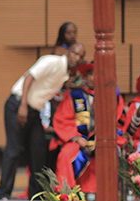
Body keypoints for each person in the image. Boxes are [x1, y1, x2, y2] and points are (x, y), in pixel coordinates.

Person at [0, 43, 86, 199]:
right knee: (14, 150)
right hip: (18, 104)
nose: (76, 58)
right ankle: (2, 194)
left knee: (38, 151)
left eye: (80, 56)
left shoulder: (65, 75)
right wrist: (23, 105)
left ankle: (36, 194)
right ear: (67, 52)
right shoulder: (52, 61)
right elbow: (28, 77)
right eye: (74, 54)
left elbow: (49, 91)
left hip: (34, 111)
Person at [51, 61, 125, 193]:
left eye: (96, 74)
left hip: (105, 138)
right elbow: (63, 120)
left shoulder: (112, 96)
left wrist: (102, 138)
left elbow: (117, 121)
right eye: (90, 74)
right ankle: (66, 193)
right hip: (79, 139)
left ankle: (111, 191)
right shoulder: (75, 96)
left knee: (115, 151)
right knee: (66, 155)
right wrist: (77, 139)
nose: (92, 77)